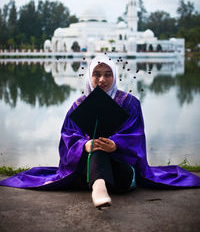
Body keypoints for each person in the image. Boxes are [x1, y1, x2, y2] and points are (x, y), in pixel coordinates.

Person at [0, 55, 200, 209]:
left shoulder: (130, 104)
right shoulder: (79, 106)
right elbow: (68, 139)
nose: (102, 79)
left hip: (121, 173)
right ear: (90, 76)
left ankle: (98, 186)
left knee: (102, 148)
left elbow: (136, 136)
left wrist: (116, 145)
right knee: (95, 146)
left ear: (114, 75)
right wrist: (84, 145)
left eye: (107, 74)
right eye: (96, 74)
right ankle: (99, 187)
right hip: (83, 172)